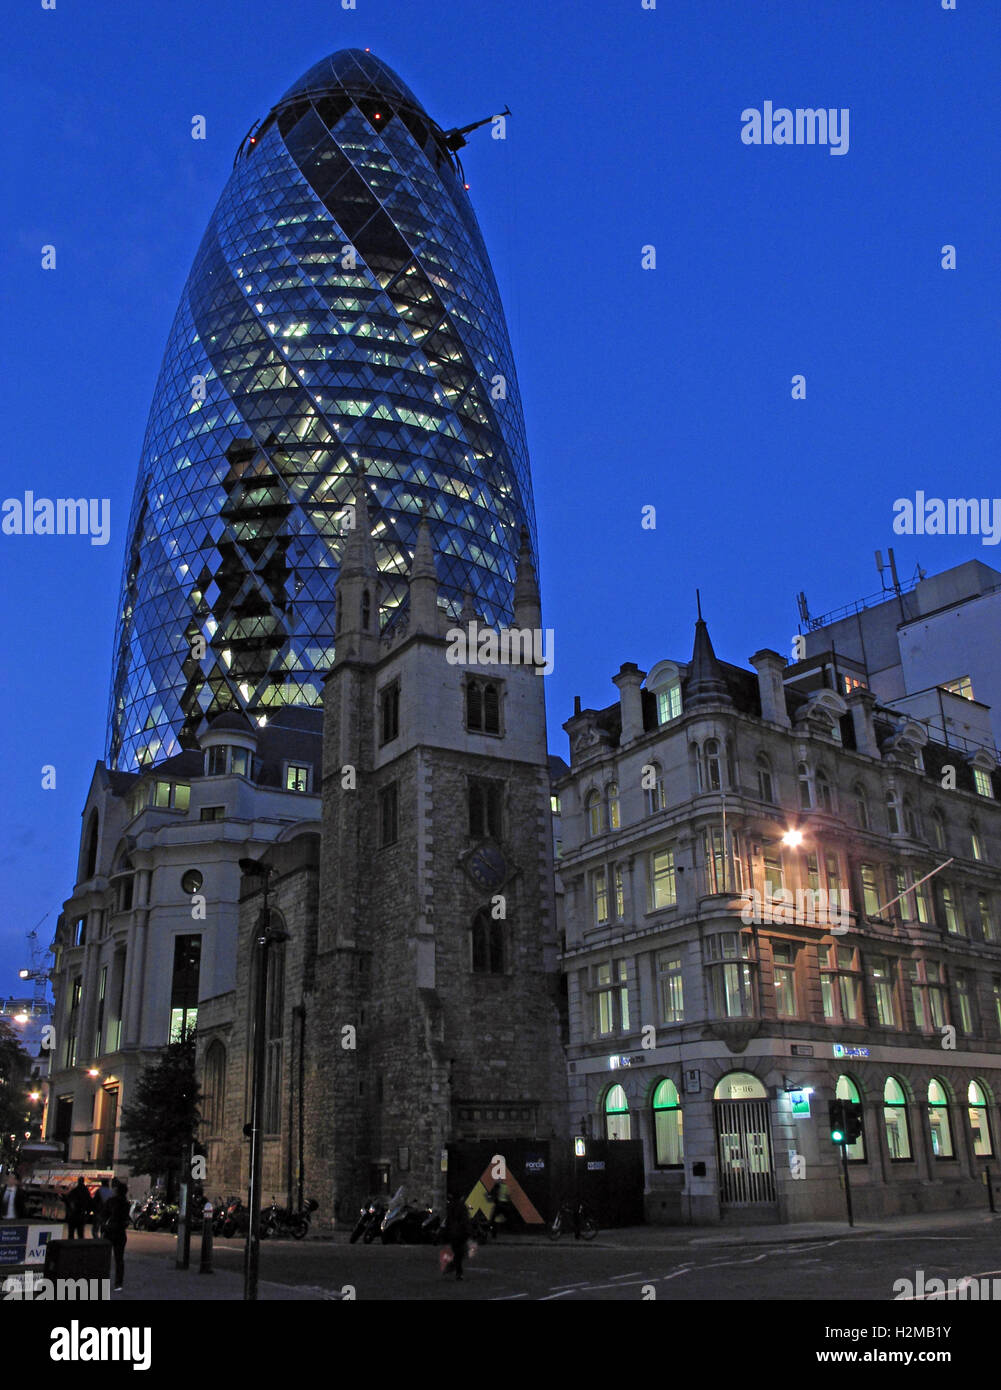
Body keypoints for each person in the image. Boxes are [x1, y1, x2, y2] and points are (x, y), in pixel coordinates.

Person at [102, 1180, 130, 1292]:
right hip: (120, 1233)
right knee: (119, 1259)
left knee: (105, 1258)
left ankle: (103, 1280)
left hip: (110, 1232)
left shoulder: (111, 1201)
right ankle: (119, 1283)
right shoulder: (126, 1203)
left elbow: (104, 1215)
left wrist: (104, 1226)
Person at [443, 1194, 471, 1282]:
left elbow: (448, 1221)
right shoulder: (462, 1207)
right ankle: (456, 1270)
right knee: (460, 1253)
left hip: (454, 1233)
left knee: (458, 1252)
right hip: (460, 1233)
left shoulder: (450, 1207)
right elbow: (465, 1221)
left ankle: (454, 1268)